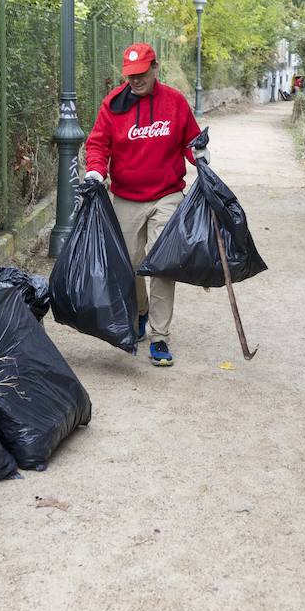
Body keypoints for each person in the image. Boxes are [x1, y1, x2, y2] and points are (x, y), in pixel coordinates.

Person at [83, 42, 203, 367]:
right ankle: (139, 311)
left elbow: (191, 140)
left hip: (167, 194)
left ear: (155, 68)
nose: (135, 81)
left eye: (141, 74)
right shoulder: (114, 105)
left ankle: (160, 336)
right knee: (130, 264)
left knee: (163, 263)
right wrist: (95, 171)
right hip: (126, 195)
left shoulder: (174, 102)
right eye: (130, 75)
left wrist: (201, 157)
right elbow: (98, 143)